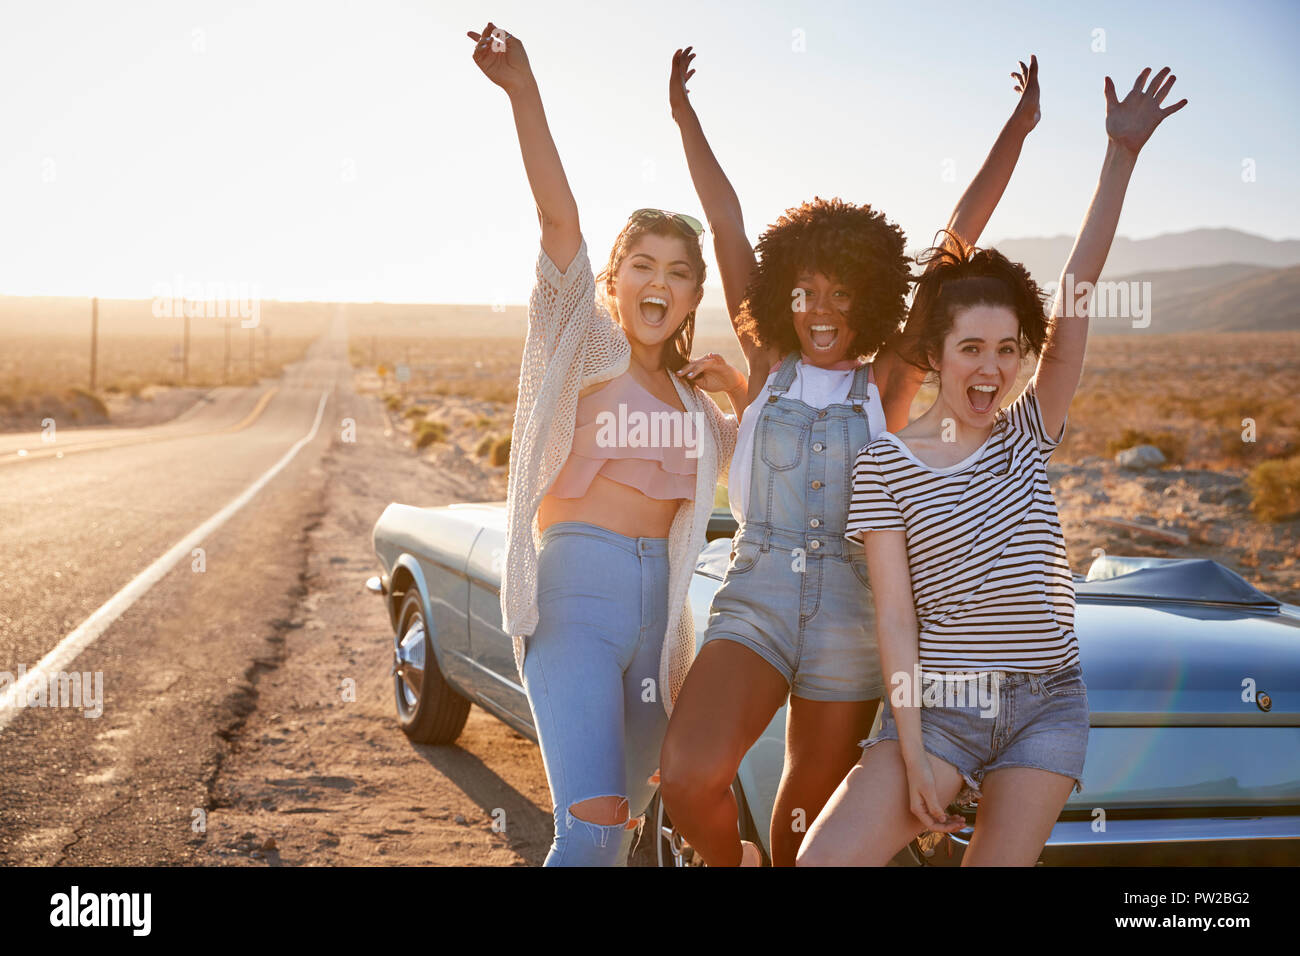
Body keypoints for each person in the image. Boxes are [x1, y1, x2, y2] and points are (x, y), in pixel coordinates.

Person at [658, 47, 1045, 866]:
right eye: (806, 292)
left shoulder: (889, 380)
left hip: (853, 617)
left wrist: (1020, 126)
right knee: (689, 776)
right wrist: (685, 117)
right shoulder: (765, 362)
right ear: (783, 296)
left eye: (841, 293)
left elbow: (955, 238)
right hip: (757, 594)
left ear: (866, 297)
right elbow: (724, 220)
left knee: (804, 828)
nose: (822, 310)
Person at [798, 66, 1187, 866]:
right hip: (939, 709)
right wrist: (909, 752)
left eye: (1007, 350)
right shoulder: (885, 466)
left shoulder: (1026, 432)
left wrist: (1120, 157)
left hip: (1047, 703)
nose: (991, 368)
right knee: (823, 860)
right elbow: (897, 624)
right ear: (936, 354)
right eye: (971, 347)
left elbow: (1076, 296)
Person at [467, 22, 744, 866]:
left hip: (662, 618)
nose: (659, 282)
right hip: (577, 596)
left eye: (679, 271)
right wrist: (523, 90)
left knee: (624, 830)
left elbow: (782, 441)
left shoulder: (697, 409)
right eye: (642, 265)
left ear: (696, 292)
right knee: (587, 831)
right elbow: (559, 217)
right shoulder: (585, 344)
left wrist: (736, 386)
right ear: (613, 277)